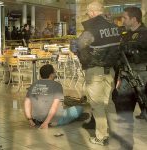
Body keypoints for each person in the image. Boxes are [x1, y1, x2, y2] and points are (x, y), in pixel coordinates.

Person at [77, 1, 120, 146]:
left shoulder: (91, 29)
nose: (88, 16)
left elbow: (79, 47)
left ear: (93, 12)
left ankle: (101, 137)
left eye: (88, 13)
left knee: (97, 104)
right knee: (109, 102)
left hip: (95, 71)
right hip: (110, 70)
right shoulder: (114, 28)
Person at [113, 6, 147, 150]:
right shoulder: (124, 35)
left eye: (125, 18)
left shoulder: (145, 34)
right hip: (126, 78)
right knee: (123, 116)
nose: (122, 21)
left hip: (143, 78)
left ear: (134, 19)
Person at [24, 64, 83, 129]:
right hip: (53, 121)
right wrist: (46, 123)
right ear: (51, 74)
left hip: (36, 120)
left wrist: (30, 119)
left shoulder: (33, 84)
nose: (55, 73)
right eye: (54, 72)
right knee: (79, 108)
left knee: (64, 105)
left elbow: (27, 102)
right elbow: (54, 106)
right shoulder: (57, 85)